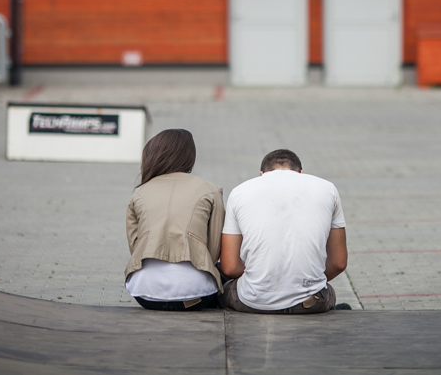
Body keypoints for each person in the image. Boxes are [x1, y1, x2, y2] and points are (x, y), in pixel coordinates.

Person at [219, 149, 348, 314]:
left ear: (262, 174)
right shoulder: (328, 189)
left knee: (225, 290)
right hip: (310, 303)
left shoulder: (239, 192)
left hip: (253, 302)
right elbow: (338, 263)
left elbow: (230, 268)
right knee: (326, 290)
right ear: (301, 173)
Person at [124, 129, 225, 311]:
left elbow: (136, 248)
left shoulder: (140, 193)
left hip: (144, 293)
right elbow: (213, 250)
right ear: (190, 156)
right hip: (196, 295)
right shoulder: (210, 190)